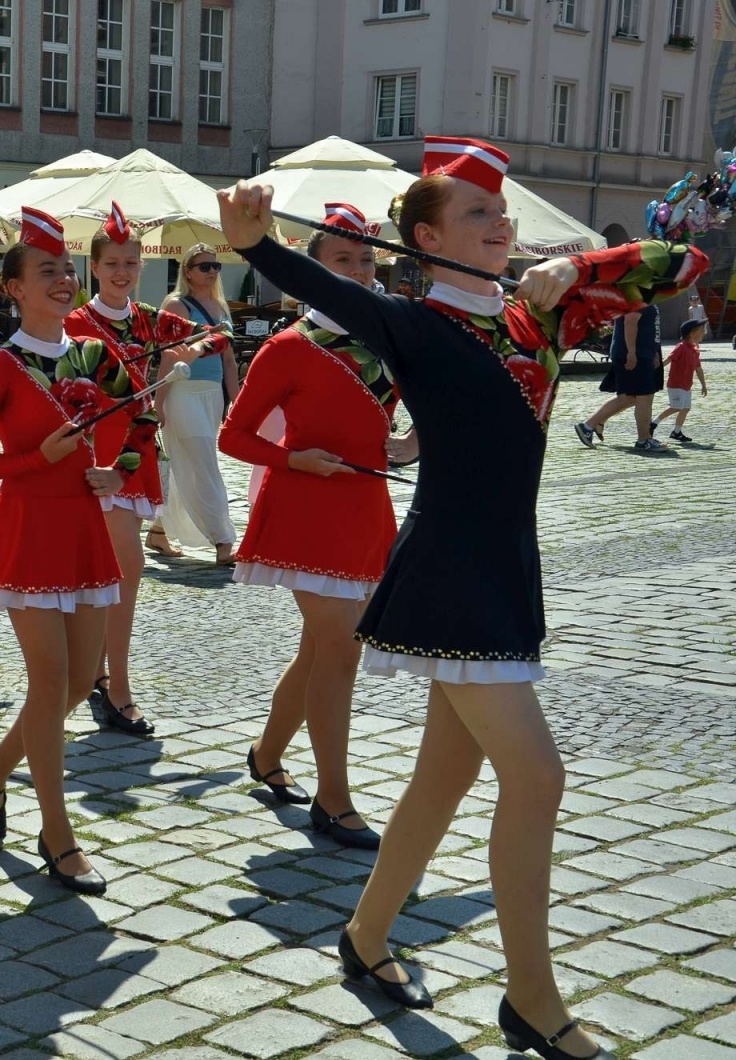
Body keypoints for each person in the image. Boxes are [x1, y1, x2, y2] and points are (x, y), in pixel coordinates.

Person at [220, 135, 705, 1058]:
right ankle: (531, 996)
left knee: (443, 779)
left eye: (502, 213)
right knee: (538, 776)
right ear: (427, 235)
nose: (500, 224)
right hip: (448, 571)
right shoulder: (414, 321)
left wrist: (574, 266)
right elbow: (327, 289)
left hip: (506, 567)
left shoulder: (541, 319)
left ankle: (365, 939)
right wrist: (252, 245)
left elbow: (682, 261)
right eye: (477, 214)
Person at [0, 206, 125, 900]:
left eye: (65, 269)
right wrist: (26, 460)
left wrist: (117, 469)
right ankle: (58, 833)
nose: (62, 280)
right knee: (51, 684)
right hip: (25, 534)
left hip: (82, 529)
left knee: (82, 684)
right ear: (14, 288)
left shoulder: (92, 355)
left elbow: (136, 430)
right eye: (45, 271)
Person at [218, 203, 399, 852]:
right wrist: (294, 458)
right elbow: (232, 435)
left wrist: (405, 448)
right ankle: (335, 797)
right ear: (310, 272)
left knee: (320, 650)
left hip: (366, 509)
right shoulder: (288, 347)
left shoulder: (388, 337)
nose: (357, 271)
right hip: (302, 511)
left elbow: (386, 431)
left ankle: (267, 755)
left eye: (366, 259)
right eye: (342, 260)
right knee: (341, 647)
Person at [64, 203, 211, 736]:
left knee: (124, 572)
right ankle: (106, 682)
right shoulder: (75, 323)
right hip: (92, 456)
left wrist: (177, 361)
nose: (122, 271)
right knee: (112, 571)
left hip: (136, 450)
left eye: (131, 262)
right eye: (112, 264)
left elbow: (215, 333)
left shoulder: (152, 320)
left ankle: (107, 679)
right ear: (94, 268)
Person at [154, 243, 239, 564]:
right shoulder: (176, 306)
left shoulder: (220, 306)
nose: (213, 271)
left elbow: (230, 362)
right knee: (204, 464)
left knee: (182, 463)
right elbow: (167, 357)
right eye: (205, 266)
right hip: (182, 392)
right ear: (187, 271)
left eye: (216, 266)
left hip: (212, 395)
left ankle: (159, 531)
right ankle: (223, 540)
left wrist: (236, 403)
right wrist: (158, 402)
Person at [575, 302, 665, 452]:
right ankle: (644, 439)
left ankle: (588, 426)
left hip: (642, 352)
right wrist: (631, 352)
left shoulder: (648, 296)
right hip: (635, 354)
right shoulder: (638, 296)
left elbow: (650, 328)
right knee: (644, 396)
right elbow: (630, 322)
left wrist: (654, 350)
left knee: (629, 397)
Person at [652, 318, 708, 442]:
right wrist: (655, 370)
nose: (704, 332)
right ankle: (653, 423)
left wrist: (703, 384)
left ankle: (676, 432)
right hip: (676, 384)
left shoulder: (694, 349)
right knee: (676, 407)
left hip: (687, 385)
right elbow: (668, 360)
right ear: (692, 334)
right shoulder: (681, 347)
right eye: (702, 330)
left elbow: (698, 368)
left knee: (686, 408)